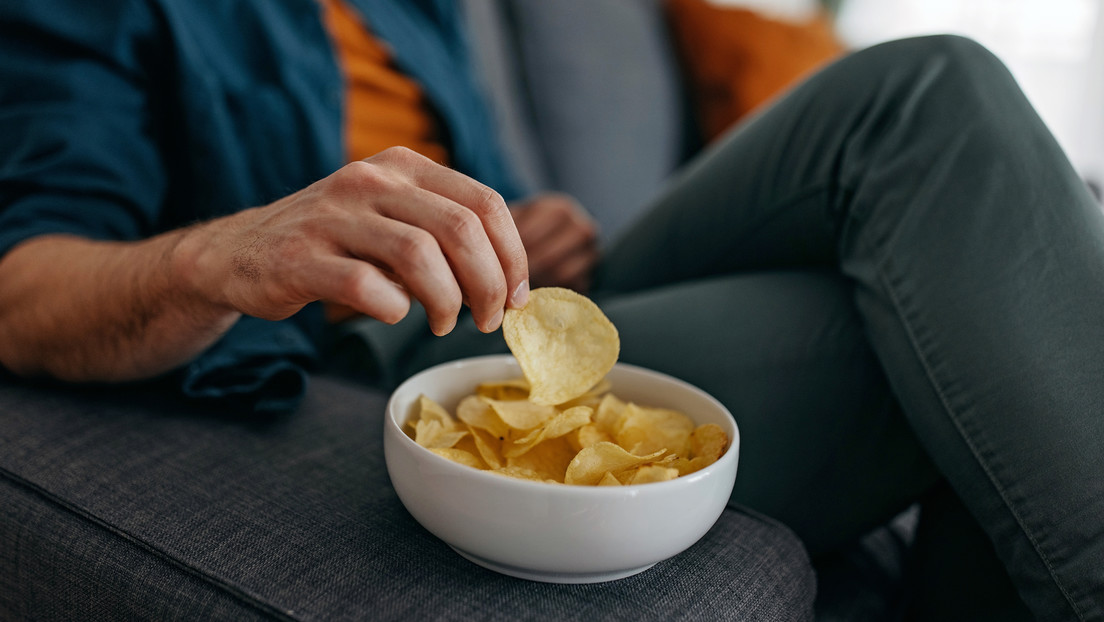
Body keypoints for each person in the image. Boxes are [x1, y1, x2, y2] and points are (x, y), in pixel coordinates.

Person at [0, 1, 1101, 619]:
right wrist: (229, 249)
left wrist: (519, 223)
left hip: (535, 293)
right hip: (374, 338)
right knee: (957, 321)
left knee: (925, 88)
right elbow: (22, 287)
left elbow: (466, 193)